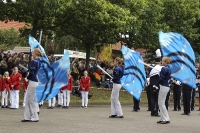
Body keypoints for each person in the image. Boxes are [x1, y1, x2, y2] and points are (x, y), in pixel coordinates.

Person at [21, 48, 43, 122]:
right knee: (27, 99)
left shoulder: (34, 61)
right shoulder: (40, 62)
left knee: (31, 99)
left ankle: (34, 116)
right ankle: (27, 116)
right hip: (35, 81)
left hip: (33, 81)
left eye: (33, 53)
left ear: (36, 54)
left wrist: (26, 75)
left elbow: (32, 72)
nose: (32, 54)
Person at [154, 57, 172, 124]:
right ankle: (163, 117)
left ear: (166, 62)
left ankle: (165, 119)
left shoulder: (164, 68)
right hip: (166, 85)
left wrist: (156, 84)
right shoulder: (169, 68)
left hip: (163, 85)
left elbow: (161, 78)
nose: (162, 62)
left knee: (161, 103)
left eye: (163, 61)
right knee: (161, 103)